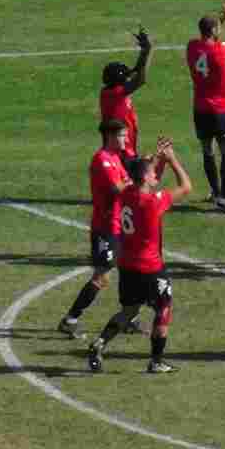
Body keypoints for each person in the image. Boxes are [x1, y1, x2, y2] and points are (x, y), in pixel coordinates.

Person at [89, 138, 195, 374]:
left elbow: (144, 174)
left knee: (129, 311)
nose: (155, 175)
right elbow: (186, 186)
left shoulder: (127, 192)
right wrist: (172, 159)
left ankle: (99, 344)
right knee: (163, 309)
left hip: (127, 265)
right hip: (150, 267)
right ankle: (156, 361)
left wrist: (156, 158)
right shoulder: (152, 202)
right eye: (152, 173)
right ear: (146, 178)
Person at [61, 118, 136, 337]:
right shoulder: (102, 160)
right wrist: (131, 180)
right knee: (101, 277)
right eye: (123, 135)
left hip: (118, 226)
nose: (127, 139)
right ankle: (70, 319)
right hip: (106, 228)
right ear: (111, 136)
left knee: (129, 271)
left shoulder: (115, 158)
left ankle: (129, 316)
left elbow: (126, 182)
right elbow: (116, 189)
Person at [186, 0, 225, 209]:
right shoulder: (220, 50)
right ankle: (224, 197)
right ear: (214, 30)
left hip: (200, 109)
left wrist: (217, 23)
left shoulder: (192, 47)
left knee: (207, 151)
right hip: (221, 110)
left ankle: (214, 191)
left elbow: (207, 39)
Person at [98, 28, 153, 167]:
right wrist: (148, 50)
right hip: (122, 154)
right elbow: (140, 78)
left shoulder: (109, 92)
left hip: (123, 151)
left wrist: (144, 51)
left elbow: (135, 71)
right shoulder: (116, 93)